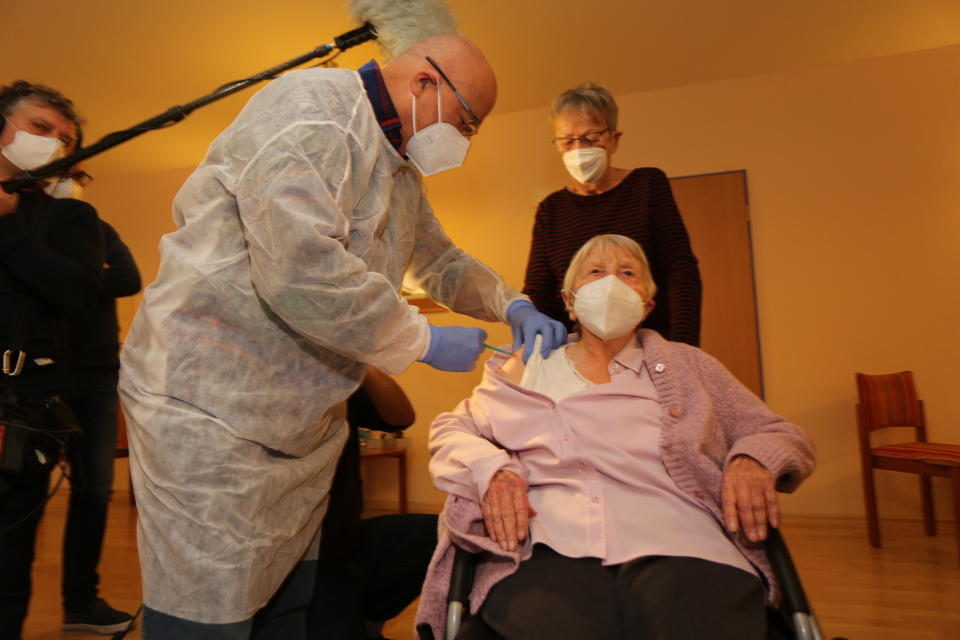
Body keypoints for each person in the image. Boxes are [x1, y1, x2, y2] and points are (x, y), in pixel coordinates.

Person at [118, 32, 566, 638]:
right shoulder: (312, 113)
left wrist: (509, 303)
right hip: (207, 407)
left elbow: (438, 261)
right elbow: (299, 269)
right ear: (426, 83)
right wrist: (423, 341)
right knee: (207, 610)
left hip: (297, 422)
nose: (463, 140)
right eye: (466, 122)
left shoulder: (397, 167)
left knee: (286, 601)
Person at [419, 234, 816, 640]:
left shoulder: (689, 365)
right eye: (595, 272)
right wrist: (492, 470)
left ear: (647, 304)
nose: (611, 283)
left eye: (629, 273)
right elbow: (453, 429)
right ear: (569, 301)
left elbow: (777, 432)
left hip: (680, 539)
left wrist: (752, 459)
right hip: (547, 544)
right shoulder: (529, 363)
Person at [0, 81, 106, 639]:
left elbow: (78, 293)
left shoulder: (68, 220)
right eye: (41, 128)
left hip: (19, 410)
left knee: (7, 568)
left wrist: (10, 223)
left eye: (64, 141)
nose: (53, 144)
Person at [523, 82, 702, 346]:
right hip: (579, 355)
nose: (578, 150)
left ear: (613, 139)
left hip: (651, 348)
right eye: (567, 141)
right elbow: (539, 291)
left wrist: (683, 350)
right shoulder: (551, 210)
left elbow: (680, 268)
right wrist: (541, 351)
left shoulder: (648, 185)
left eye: (590, 138)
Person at [59, 214, 141, 634]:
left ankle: (81, 603)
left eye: (67, 143)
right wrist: (91, 276)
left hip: (98, 377)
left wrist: (71, 278)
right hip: (41, 377)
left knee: (95, 490)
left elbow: (129, 278)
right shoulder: (20, 228)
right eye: (48, 140)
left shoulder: (100, 228)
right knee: (22, 495)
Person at [315, 366, 436, 640]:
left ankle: (366, 614)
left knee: (452, 535)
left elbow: (401, 417)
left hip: (345, 542)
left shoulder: (335, 375)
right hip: (299, 560)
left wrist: (361, 363)